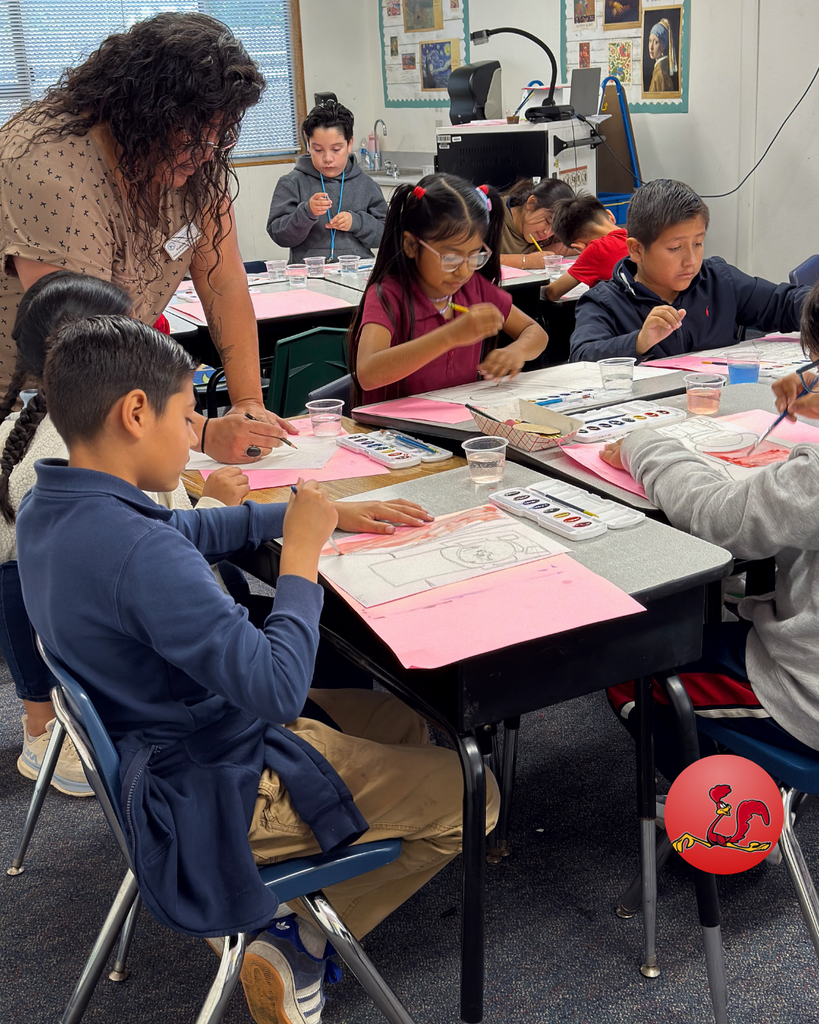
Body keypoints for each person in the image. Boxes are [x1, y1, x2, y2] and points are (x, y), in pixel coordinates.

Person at [16, 314, 498, 1024]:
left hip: (153, 756)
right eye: (188, 415)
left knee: (410, 720)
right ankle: (294, 940)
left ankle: (300, 897)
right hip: (213, 790)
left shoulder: (53, 506)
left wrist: (314, 517)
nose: (194, 433)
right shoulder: (138, 556)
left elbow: (181, 529)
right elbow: (276, 689)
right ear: (136, 412)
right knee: (474, 791)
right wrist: (301, 559)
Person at [0, 12, 293, 465]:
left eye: (218, 138)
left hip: (114, 396)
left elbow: (224, 283)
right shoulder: (51, 171)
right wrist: (203, 433)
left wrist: (249, 403)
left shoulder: (196, 147)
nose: (207, 154)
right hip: (27, 401)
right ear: (143, 116)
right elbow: (89, 354)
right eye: (196, 139)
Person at [0, 272, 248, 797]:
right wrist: (219, 502)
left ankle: (40, 727)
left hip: (75, 673)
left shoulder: (21, 441)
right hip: (160, 702)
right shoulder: (110, 465)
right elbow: (172, 560)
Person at [599, 279, 819, 774]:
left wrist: (644, 445)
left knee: (625, 667)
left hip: (807, 698)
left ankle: (721, 831)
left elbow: (720, 518)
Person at [349, 174, 549, 405]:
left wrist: (516, 353)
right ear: (412, 245)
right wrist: (451, 336)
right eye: (451, 258)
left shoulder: (474, 290)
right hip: (393, 433)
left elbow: (535, 333)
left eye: (475, 256)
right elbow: (367, 373)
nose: (463, 272)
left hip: (456, 424)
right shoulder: (389, 295)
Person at [569, 179, 809, 362]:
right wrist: (640, 341)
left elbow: (784, 303)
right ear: (636, 250)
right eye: (675, 248)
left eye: (698, 243)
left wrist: (814, 304)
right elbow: (582, 356)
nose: (691, 261)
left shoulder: (718, 279)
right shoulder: (604, 302)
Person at [267, 101, 387, 264]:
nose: (328, 158)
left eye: (336, 149)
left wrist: (357, 222)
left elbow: (387, 235)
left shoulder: (367, 185)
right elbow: (279, 235)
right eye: (318, 150)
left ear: (350, 144)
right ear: (308, 145)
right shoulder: (292, 183)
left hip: (357, 273)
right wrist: (306, 213)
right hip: (309, 275)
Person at [542, 194, 629, 301]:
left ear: (579, 246)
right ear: (610, 215)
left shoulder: (597, 249)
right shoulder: (636, 237)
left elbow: (552, 293)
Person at [499, 177, 575, 269]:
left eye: (555, 229)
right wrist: (527, 261)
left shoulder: (548, 235)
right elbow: (479, 260)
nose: (547, 233)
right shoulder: (492, 215)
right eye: (547, 221)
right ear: (532, 203)